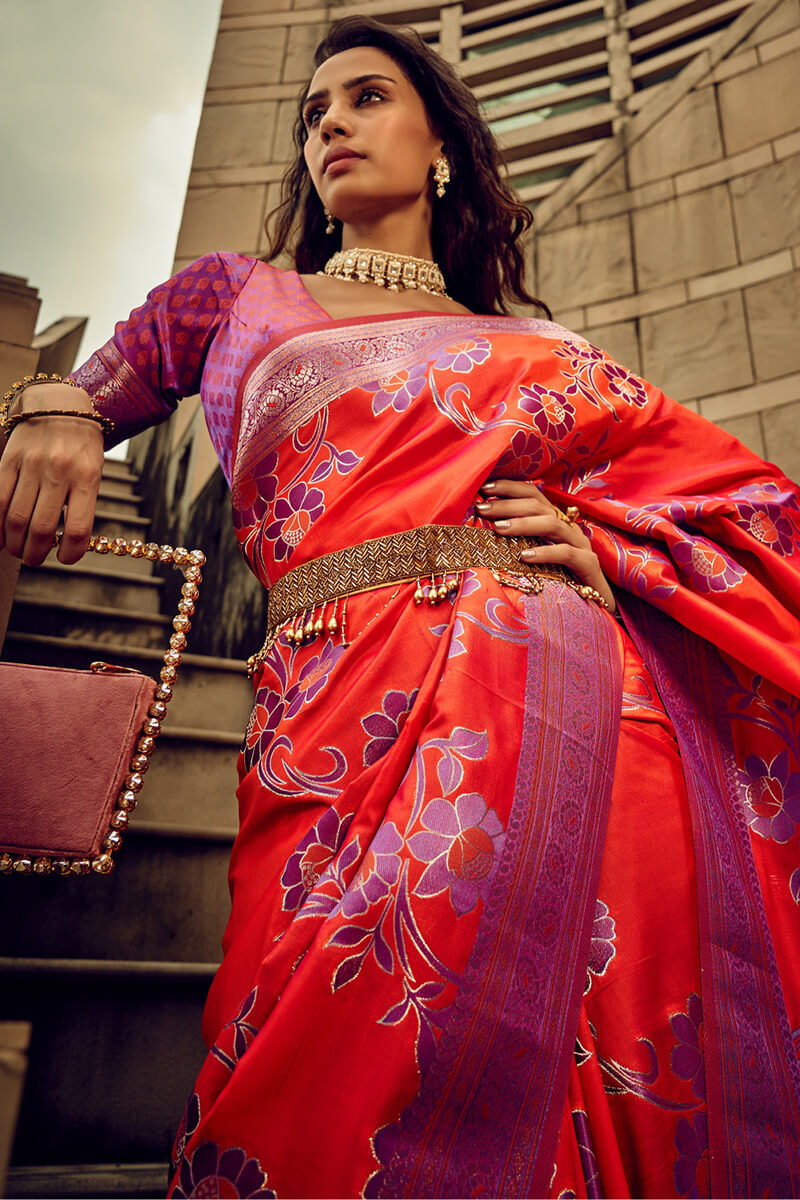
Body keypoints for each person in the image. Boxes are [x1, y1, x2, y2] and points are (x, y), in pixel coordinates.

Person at [1, 16, 799, 1198]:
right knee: (318, 1044)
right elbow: (96, 383)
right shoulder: (240, 296)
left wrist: (601, 539)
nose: (328, 121)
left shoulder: (533, 345)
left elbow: (742, 506)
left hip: (583, 719)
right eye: (314, 109)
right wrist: (53, 407)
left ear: (440, 151)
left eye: (365, 97)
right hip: (338, 706)